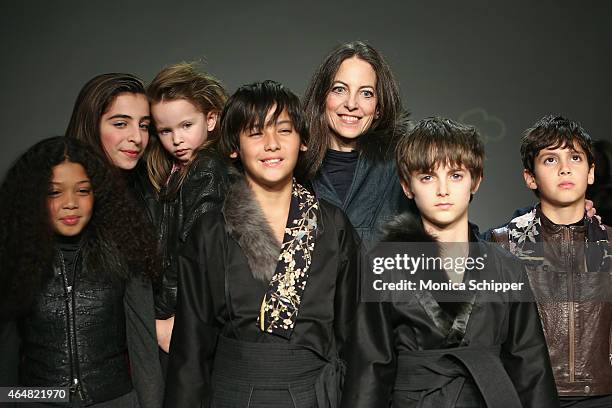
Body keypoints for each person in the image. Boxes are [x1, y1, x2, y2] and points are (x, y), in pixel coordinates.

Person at [164, 81, 361, 408]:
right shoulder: (209, 232)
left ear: (304, 142)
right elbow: (191, 349)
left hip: (315, 394)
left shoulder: (334, 226)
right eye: (255, 133)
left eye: (284, 131)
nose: (272, 144)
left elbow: (356, 339)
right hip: (232, 394)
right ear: (233, 147)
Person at [342, 117, 558, 407]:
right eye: (427, 176)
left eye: (455, 175)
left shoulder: (507, 267)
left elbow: (531, 370)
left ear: (475, 180)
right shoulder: (382, 265)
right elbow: (369, 370)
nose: (442, 190)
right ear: (407, 186)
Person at [0, 137, 163, 407]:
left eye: (83, 191)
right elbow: (4, 366)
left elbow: (145, 355)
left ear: (97, 193)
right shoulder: (14, 261)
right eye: (54, 192)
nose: (70, 203)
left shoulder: (126, 252)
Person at [491, 115, 612, 408]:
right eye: (549, 160)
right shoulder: (502, 243)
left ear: (591, 172)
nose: (565, 168)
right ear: (530, 177)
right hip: (530, 392)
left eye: (574, 157)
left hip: (603, 392)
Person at [145, 63, 229, 353]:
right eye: (165, 131)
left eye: (186, 126)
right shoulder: (175, 170)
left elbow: (193, 248)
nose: (177, 140)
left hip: (181, 312)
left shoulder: (206, 168)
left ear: (211, 119)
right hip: (175, 309)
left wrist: (161, 314)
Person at [303, 40, 411, 247]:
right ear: (321, 97)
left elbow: (442, 228)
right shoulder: (293, 167)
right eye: (339, 89)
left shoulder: (401, 167)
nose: (351, 104)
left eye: (366, 93)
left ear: (379, 107)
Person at [65, 72, 158, 222]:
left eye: (144, 126)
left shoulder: (153, 185)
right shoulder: (56, 191)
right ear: (92, 125)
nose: (137, 138)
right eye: (120, 124)